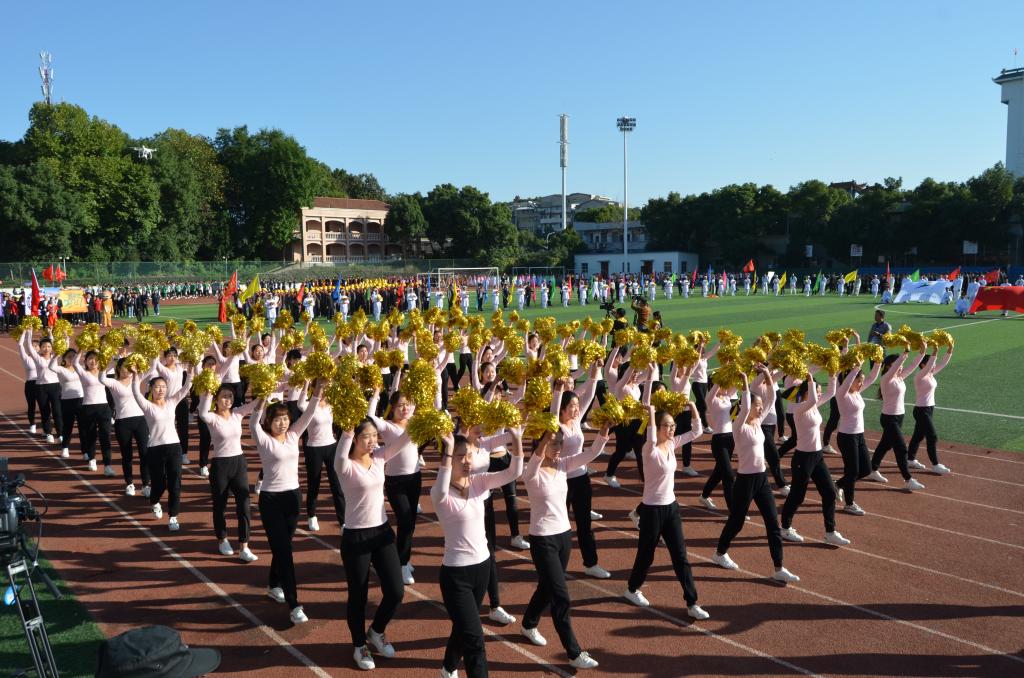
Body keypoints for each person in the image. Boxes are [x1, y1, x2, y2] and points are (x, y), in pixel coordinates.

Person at [433, 429, 524, 678]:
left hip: (482, 568)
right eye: (460, 456)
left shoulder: (479, 483)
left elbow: (514, 472)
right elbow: (442, 484)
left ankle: (447, 668)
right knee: (475, 641)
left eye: (469, 455)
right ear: (448, 459)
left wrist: (517, 439)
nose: (466, 461)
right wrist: (447, 450)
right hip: (456, 576)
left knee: (464, 627)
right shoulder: (440, 493)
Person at [518, 423, 609, 669]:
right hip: (542, 539)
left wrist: (603, 431)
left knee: (547, 588)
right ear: (540, 444)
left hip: (563, 537)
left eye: (560, 442)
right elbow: (535, 460)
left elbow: (591, 453)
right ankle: (574, 652)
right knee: (561, 596)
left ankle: (528, 623)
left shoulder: (563, 465)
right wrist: (545, 437)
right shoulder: (530, 471)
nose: (559, 447)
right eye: (553, 442)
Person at [711, 369, 800, 582]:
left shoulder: (758, 423)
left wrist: (768, 374)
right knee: (737, 521)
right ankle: (720, 553)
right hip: (745, 481)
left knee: (772, 523)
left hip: (762, 479)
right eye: (756, 406)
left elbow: (772, 398)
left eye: (760, 406)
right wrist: (744, 382)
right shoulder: (738, 426)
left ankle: (779, 567)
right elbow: (745, 407)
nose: (760, 409)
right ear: (747, 407)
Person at [623, 399, 708, 620]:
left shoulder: (672, 443)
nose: (672, 429)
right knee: (646, 555)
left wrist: (692, 406)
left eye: (673, 425)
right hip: (651, 510)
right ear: (657, 427)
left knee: (680, 556)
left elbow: (697, 431)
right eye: (667, 426)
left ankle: (692, 602)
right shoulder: (648, 449)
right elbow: (651, 436)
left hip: (671, 508)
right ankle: (632, 589)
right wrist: (651, 413)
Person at [334, 421, 409, 671]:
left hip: (382, 532)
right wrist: (348, 426)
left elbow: (405, 439)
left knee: (396, 591)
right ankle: (359, 645)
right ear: (354, 439)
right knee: (359, 595)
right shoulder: (345, 465)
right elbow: (342, 448)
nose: (372, 441)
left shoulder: (379, 457)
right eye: (366, 436)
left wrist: (420, 417)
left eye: (375, 436)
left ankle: (376, 631)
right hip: (356, 536)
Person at [250, 383, 322, 625]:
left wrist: (318, 389)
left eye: (284, 418)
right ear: (269, 422)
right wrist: (262, 398)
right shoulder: (263, 439)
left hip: (293, 497)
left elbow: (309, 413)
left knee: (283, 547)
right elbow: (253, 422)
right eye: (277, 419)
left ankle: (273, 584)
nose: (282, 423)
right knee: (284, 551)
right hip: (271, 500)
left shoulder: (293, 435)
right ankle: (294, 604)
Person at [778, 373, 851, 546]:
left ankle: (830, 532)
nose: (820, 394)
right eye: (817, 391)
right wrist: (811, 380)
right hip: (802, 458)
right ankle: (785, 527)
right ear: (807, 392)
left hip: (817, 457)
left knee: (830, 493)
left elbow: (831, 392)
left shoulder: (813, 405)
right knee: (797, 496)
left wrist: (832, 374)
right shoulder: (799, 408)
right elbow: (811, 399)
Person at [553, 364, 609, 579]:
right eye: (572, 406)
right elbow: (553, 410)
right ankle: (555, 565)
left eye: (578, 405)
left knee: (585, 524)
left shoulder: (577, 421)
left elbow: (591, 393)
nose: (577, 409)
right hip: (561, 481)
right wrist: (558, 391)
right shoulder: (556, 425)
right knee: (560, 526)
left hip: (581, 479)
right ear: (563, 408)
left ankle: (591, 563)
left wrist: (595, 372)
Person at [197, 385, 259, 562]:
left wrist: (267, 389)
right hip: (221, 466)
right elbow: (202, 413)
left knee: (244, 505)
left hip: (239, 463)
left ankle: (244, 546)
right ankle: (222, 539)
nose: (228, 400)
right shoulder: (212, 417)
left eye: (230, 396)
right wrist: (208, 391)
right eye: (224, 396)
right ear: (216, 399)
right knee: (220, 505)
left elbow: (255, 404)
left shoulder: (237, 413)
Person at [369, 387, 421, 586]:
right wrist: (375, 394)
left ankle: (403, 557)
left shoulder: (414, 421)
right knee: (405, 520)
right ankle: (402, 564)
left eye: (407, 405)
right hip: (395, 481)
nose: (405, 409)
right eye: (400, 406)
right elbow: (370, 417)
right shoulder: (387, 426)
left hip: (415, 478)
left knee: (411, 522)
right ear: (392, 408)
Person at [131, 364, 193, 530]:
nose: (161, 390)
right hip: (155, 449)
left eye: (164, 387)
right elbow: (135, 392)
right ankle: (155, 501)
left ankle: (173, 516)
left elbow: (186, 387)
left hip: (174, 447)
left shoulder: (172, 402)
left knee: (175, 484)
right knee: (159, 484)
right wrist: (136, 377)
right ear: (151, 389)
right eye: (158, 387)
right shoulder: (147, 406)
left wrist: (191, 371)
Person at [867, 347, 927, 490]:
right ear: (889, 366)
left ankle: (872, 469)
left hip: (899, 417)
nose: (901, 367)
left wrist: (922, 352)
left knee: (885, 445)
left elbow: (913, 365)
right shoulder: (886, 379)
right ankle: (908, 479)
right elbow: (899, 365)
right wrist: (905, 352)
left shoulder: (899, 378)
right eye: (897, 365)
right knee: (901, 448)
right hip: (889, 419)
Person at [833, 359, 882, 516]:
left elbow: (872, 377)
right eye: (858, 381)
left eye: (861, 381)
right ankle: (849, 504)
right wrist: (856, 368)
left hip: (859, 435)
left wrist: (878, 362)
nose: (861, 384)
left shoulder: (857, 393)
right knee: (852, 471)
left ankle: (838, 484)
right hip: (846, 437)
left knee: (866, 469)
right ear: (851, 380)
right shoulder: (842, 394)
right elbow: (846, 382)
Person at [297, 384, 344, 532]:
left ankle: (343, 522)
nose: (324, 390)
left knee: (337, 485)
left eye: (326, 387)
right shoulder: (309, 406)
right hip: (314, 448)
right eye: (322, 387)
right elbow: (299, 403)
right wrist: (306, 383)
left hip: (331, 447)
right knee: (314, 483)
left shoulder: (331, 405)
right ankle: (311, 515)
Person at [102, 357, 151, 496]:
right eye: (125, 366)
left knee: (144, 453)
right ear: (118, 368)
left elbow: (153, 367)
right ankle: (129, 484)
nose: (127, 369)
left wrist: (149, 355)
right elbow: (101, 378)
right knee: (127, 455)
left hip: (140, 420)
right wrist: (110, 363)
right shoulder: (114, 383)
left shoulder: (137, 378)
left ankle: (146, 485)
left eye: (130, 366)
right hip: (122, 422)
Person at [907, 344, 954, 475]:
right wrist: (935, 351)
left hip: (929, 409)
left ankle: (910, 459)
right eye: (930, 364)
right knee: (932, 436)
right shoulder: (920, 376)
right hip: (921, 411)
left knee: (918, 435)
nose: (933, 366)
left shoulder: (930, 374)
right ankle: (935, 465)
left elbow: (943, 363)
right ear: (923, 365)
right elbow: (931, 365)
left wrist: (950, 350)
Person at [72, 350, 115, 474]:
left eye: (96, 359)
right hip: (88, 408)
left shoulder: (103, 371)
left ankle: (107, 465)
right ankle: (92, 459)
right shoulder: (83, 373)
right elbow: (75, 363)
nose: (93, 361)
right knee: (91, 436)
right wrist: (81, 349)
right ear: (85, 361)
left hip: (104, 408)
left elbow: (113, 361)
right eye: (90, 359)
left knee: (105, 436)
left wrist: (108, 347)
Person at [698, 379, 736, 511]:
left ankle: (704, 495)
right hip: (719, 441)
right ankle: (733, 509)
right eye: (722, 384)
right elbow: (717, 386)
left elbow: (736, 385)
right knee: (728, 475)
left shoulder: (726, 396)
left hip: (730, 439)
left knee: (719, 472)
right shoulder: (711, 399)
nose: (725, 386)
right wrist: (722, 377)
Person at [22, 330, 62, 446]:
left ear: (51, 348)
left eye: (48, 346)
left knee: (57, 411)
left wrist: (50, 334)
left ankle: (60, 433)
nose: (46, 348)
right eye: (44, 346)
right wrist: (29, 332)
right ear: (40, 348)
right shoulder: (37, 358)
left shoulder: (55, 357)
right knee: (45, 411)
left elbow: (58, 344)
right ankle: (48, 433)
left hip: (55, 386)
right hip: (41, 388)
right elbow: (29, 346)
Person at [50, 349, 85, 465]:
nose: (71, 359)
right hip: (67, 401)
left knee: (82, 426)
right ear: (64, 358)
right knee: (68, 426)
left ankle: (85, 450)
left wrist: (82, 350)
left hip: (81, 400)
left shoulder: (81, 368)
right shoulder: (61, 369)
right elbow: (51, 367)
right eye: (69, 356)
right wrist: (56, 354)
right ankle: (65, 447)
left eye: (74, 356)